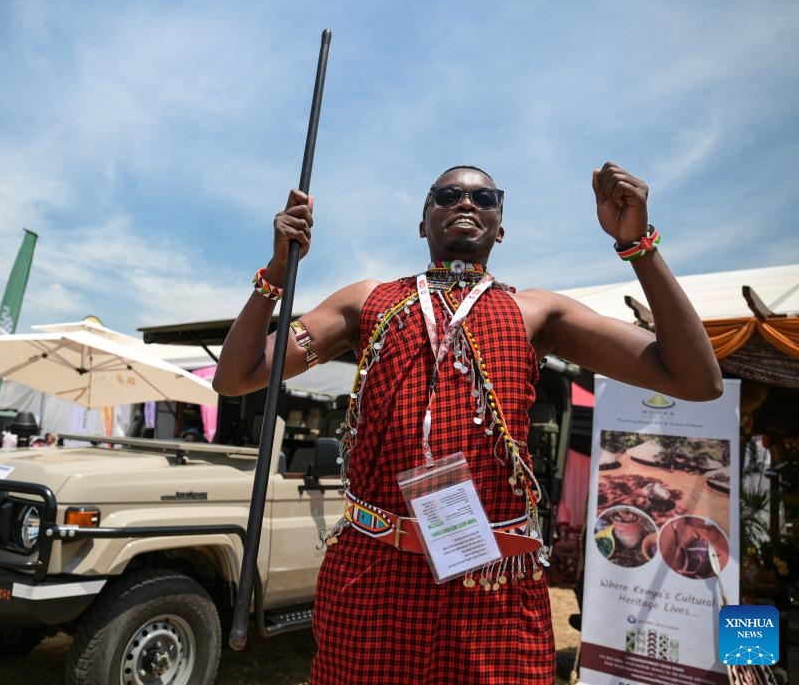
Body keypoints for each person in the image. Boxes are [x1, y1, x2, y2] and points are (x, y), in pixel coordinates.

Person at [212, 163, 721, 685]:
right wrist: (277, 273)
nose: (466, 203)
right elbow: (236, 376)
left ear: (500, 228)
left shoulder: (535, 312)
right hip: (373, 570)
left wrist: (639, 245)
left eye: (485, 198)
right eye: (448, 194)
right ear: (422, 223)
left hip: (492, 581)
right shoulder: (366, 302)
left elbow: (697, 379)